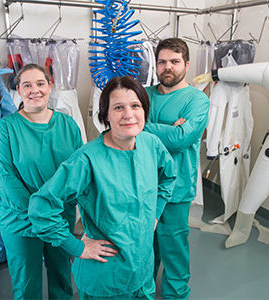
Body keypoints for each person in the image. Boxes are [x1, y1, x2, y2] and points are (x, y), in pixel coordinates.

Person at [28, 76, 177, 299]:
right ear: (105, 114)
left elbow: (168, 176)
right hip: (106, 276)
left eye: (135, 105)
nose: (128, 114)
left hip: (142, 271)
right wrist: (77, 247)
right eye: (118, 107)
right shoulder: (87, 160)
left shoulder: (150, 144)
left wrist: (154, 214)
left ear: (144, 110)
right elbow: (41, 207)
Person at [0, 64, 83, 300]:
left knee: (62, 279)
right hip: (21, 220)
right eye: (27, 85)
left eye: (40, 84)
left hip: (59, 216)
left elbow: (79, 171)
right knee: (26, 284)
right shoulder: (6, 129)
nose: (35, 90)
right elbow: (4, 178)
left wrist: (56, 212)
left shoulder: (67, 125)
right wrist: (38, 212)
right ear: (18, 90)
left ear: (50, 86)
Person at [144, 38, 210, 299]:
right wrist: (170, 130)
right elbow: (127, 130)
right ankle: (143, 290)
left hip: (176, 187)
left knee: (174, 247)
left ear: (187, 65)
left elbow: (182, 138)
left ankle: (176, 294)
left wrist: (144, 127)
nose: (167, 67)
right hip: (144, 184)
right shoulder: (144, 94)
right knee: (145, 247)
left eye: (174, 61)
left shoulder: (197, 99)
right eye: (162, 62)